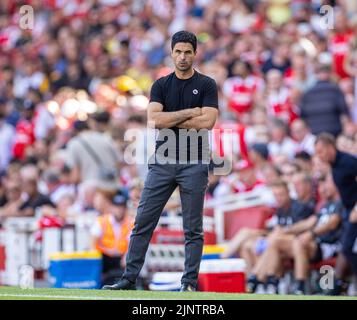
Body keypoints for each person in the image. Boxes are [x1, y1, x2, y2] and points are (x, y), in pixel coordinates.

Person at [102, 31, 219, 291]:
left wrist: (171, 117)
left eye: (188, 51)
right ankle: (128, 279)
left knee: (193, 228)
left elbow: (208, 122)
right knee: (143, 221)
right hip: (163, 161)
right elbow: (154, 120)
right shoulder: (160, 85)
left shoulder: (208, 84)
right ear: (171, 52)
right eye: (178, 51)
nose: (183, 56)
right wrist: (191, 112)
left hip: (195, 161)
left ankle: (188, 283)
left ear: (195, 53)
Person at [314, 133, 357, 294]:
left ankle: (337, 286)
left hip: (355, 211)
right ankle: (337, 286)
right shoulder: (334, 165)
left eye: (321, 151)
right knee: (347, 249)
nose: (319, 156)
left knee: (348, 249)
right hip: (348, 210)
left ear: (330, 147)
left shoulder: (349, 162)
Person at [91, 188, 133, 286]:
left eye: (122, 207)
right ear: (111, 207)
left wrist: (126, 256)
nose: (119, 210)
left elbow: (131, 243)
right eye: (117, 207)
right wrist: (96, 259)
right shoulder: (102, 221)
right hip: (104, 258)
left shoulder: (130, 223)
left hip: (120, 258)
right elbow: (93, 241)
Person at [299, 64, 350, 137]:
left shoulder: (307, 93)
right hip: (333, 132)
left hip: (314, 133)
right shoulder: (335, 90)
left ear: (316, 75)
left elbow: (302, 116)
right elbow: (344, 113)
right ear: (330, 74)